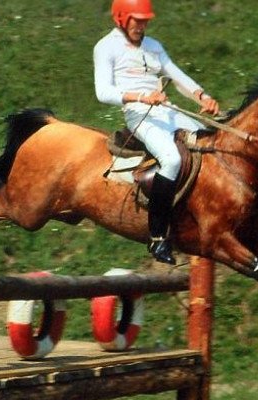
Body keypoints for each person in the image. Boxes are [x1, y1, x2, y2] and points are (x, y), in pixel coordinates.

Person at [94, 0, 220, 265]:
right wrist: (141, 96)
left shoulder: (154, 47)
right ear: (121, 18)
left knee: (210, 143)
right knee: (172, 159)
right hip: (139, 114)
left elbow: (176, 75)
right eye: (136, 21)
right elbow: (103, 92)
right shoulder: (105, 47)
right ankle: (158, 236)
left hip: (166, 110)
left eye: (145, 21)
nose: (142, 26)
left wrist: (202, 96)